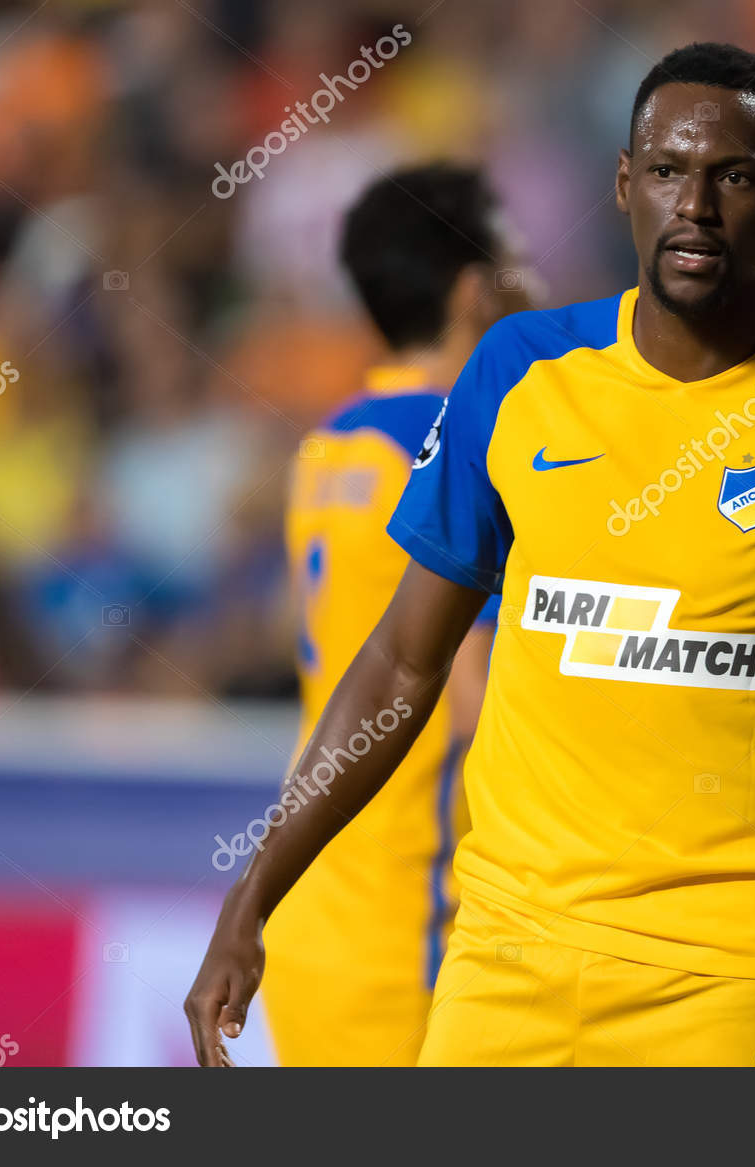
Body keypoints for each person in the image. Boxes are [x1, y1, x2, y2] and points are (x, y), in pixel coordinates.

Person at [188, 42, 755, 1067]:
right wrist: (252, 895)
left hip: (728, 979)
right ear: (625, 183)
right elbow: (403, 661)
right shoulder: (521, 373)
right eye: (668, 170)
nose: (697, 205)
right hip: (500, 962)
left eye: (737, 176)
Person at [259, 163, 531, 1065]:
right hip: (413, 933)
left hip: (314, 919)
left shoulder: (327, 444)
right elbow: (476, 695)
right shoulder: (456, 445)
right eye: (515, 256)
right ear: (470, 289)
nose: (533, 278)